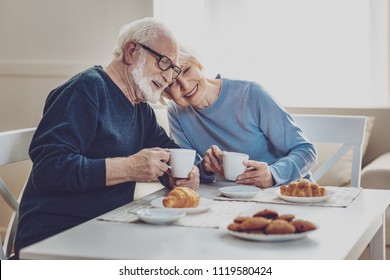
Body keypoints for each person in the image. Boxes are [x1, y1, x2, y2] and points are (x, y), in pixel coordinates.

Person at [14, 18, 201, 258]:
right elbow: (49, 169)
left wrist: (183, 174)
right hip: (58, 236)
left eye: (173, 69)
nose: (168, 78)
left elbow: (170, 153)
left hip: (108, 229)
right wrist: (129, 167)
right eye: (164, 62)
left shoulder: (140, 107)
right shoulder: (86, 89)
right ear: (132, 51)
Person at [162, 46, 317, 188]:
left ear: (198, 65)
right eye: (172, 83)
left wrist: (272, 174)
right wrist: (206, 168)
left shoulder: (250, 94)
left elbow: (306, 151)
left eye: (187, 70)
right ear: (166, 94)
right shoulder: (176, 113)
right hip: (234, 198)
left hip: (289, 192)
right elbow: (189, 172)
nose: (185, 84)